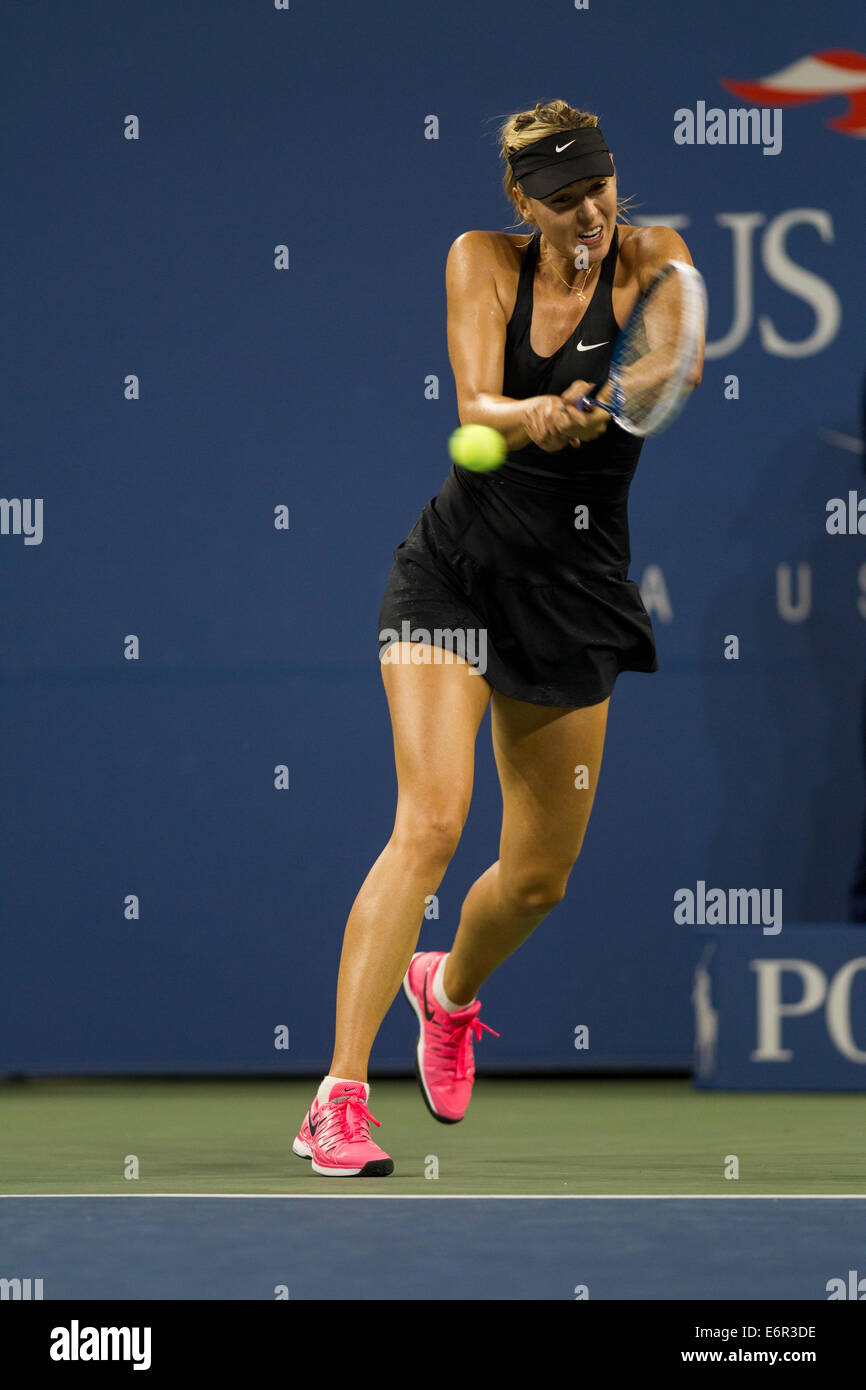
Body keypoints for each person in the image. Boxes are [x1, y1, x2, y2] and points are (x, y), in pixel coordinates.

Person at [292, 99, 703, 1177]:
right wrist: (530, 414)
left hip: (572, 594)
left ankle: (449, 990)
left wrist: (629, 391)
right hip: (455, 575)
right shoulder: (480, 260)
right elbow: (475, 398)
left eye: (600, 187)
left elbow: (670, 366)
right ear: (520, 203)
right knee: (428, 823)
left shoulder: (655, 255)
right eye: (563, 197)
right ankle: (337, 1096)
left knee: (535, 880)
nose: (589, 211)